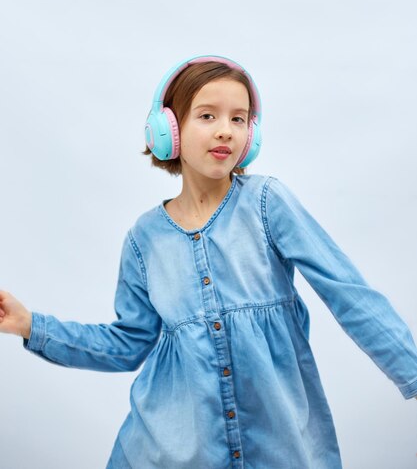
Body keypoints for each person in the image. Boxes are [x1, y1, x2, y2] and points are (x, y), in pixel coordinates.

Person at [0, 54, 416, 469]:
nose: (225, 130)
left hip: (282, 449)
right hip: (168, 453)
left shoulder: (267, 203)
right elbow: (127, 344)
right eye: (207, 115)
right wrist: (30, 325)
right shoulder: (144, 240)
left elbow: (348, 292)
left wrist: (411, 370)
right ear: (169, 130)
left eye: (239, 119)